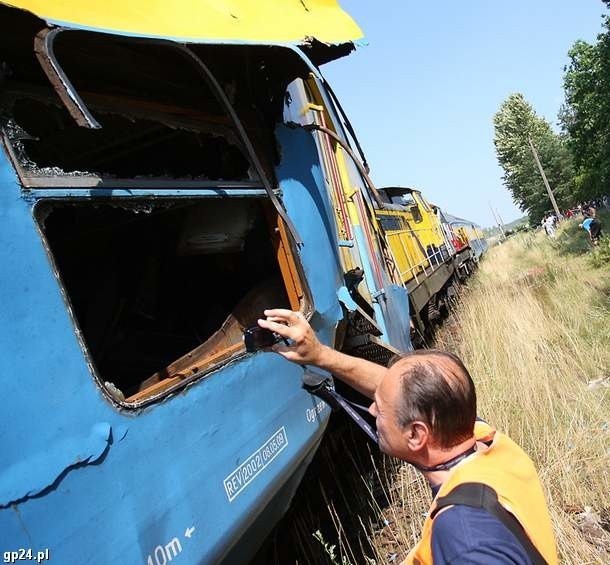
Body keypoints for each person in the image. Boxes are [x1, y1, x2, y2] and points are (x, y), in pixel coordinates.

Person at [258, 309, 558, 564]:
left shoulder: (464, 534)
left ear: (416, 434)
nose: (373, 410)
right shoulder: (491, 445)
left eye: (382, 409)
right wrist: (320, 354)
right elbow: (399, 393)